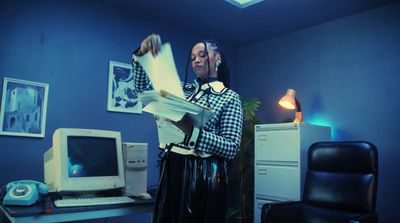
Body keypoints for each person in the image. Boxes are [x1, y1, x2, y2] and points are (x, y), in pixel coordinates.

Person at [131, 34, 243, 223]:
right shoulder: (181, 90)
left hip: (204, 173)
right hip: (172, 166)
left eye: (202, 55)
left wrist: (192, 131)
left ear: (218, 58)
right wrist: (141, 54)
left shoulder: (230, 97)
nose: (197, 61)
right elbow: (142, 89)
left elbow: (231, 146)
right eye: (192, 58)